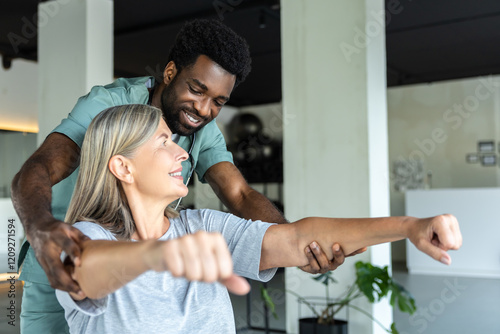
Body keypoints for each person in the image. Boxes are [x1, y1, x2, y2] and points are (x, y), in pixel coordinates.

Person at [11, 19, 346, 333]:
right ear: (170, 72)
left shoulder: (202, 129)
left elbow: (239, 195)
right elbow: (40, 167)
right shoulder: (110, 105)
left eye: (218, 101)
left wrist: (295, 244)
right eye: (197, 90)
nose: (204, 109)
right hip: (61, 260)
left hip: (137, 272)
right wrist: (40, 228)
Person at [55, 104, 462, 334]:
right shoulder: (84, 238)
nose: (182, 154)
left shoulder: (201, 226)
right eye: (163, 142)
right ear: (123, 168)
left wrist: (409, 227)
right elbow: (84, 270)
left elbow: (299, 237)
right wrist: (154, 256)